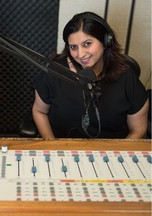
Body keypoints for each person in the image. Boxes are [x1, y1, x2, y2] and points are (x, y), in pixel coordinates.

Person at [32, 11, 148, 139]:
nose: (81, 54)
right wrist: (53, 148)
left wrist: (117, 155)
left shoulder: (126, 77)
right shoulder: (55, 72)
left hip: (111, 153)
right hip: (62, 150)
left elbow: (138, 129)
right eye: (74, 47)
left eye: (87, 44)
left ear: (106, 41)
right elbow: (39, 111)